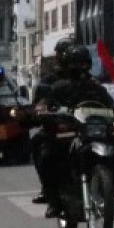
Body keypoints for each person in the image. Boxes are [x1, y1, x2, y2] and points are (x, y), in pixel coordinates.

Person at [34, 44, 114, 219]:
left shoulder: (96, 87)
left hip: (95, 132)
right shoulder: (58, 86)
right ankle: (53, 199)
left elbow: (112, 105)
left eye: (84, 64)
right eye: (76, 64)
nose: (80, 68)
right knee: (46, 154)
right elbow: (45, 103)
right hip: (70, 133)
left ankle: (110, 197)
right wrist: (44, 111)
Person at [31, 37, 78, 209]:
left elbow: (102, 99)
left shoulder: (87, 79)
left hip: (86, 128)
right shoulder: (50, 80)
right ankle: (49, 192)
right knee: (41, 148)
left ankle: (109, 193)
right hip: (59, 128)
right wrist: (40, 110)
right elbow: (39, 103)